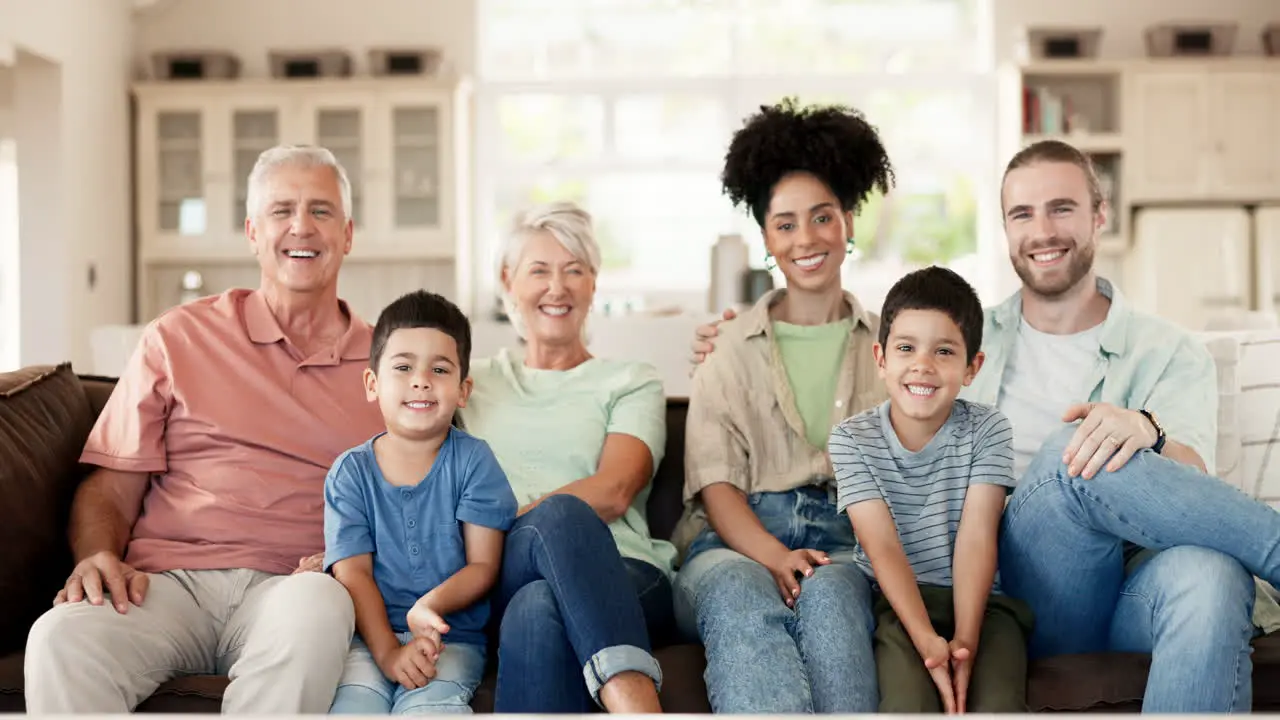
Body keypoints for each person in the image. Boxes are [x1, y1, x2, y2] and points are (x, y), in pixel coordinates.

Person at [691, 138, 1280, 712]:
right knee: (1072, 451)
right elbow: (877, 356)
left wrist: (1146, 432)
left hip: (1130, 583)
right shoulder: (961, 338)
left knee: (1214, 576)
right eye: (1023, 213)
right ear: (1006, 230)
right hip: (1016, 585)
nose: (1043, 230)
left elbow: (1196, 479)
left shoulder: (1168, 351)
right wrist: (736, 335)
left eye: (1063, 208)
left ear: (1100, 216)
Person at [24, 145, 381, 713]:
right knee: (58, 638)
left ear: (348, 232)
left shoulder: (390, 367)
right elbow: (110, 488)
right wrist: (96, 555)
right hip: (165, 585)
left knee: (319, 605)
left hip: (291, 586)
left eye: (321, 210)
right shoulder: (177, 337)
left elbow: (414, 505)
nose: (301, 227)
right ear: (252, 232)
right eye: (281, 210)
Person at [671, 98, 894, 713]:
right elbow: (717, 489)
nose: (807, 239)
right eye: (787, 224)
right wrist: (775, 557)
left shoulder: (892, 350)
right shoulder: (729, 350)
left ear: (848, 221)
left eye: (822, 217)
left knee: (832, 597)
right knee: (742, 593)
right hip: (733, 544)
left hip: (846, 546)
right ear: (767, 239)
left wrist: (812, 565)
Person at [457, 201, 677, 713]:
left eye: (574, 270)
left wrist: (515, 520)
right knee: (537, 566)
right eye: (539, 270)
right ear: (508, 281)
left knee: (537, 607)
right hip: (499, 568)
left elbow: (615, 489)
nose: (557, 287)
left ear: (593, 284)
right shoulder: (471, 381)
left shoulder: (630, 380)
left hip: (624, 574)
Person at [829, 265, 1032, 714]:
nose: (922, 365)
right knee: (907, 703)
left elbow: (977, 536)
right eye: (906, 348)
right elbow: (880, 547)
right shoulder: (851, 439)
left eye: (944, 351)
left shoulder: (988, 429)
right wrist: (927, 643)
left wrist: (965, 642)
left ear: (972, 367)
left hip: (981, 604)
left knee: (997, 703)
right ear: (881, 359)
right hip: (898, 606)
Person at [324, 290, 517, 714]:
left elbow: (483, 566)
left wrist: (429, 606)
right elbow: (354, 575)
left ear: (463, 390)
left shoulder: (474, 461)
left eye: (440, 369)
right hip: (368, 639)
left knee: (430, 708)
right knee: (353, 706)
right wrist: (389, 652)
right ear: (372, 384)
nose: (421, 380)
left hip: (450, 639)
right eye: (403, 367)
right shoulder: (350, 473)